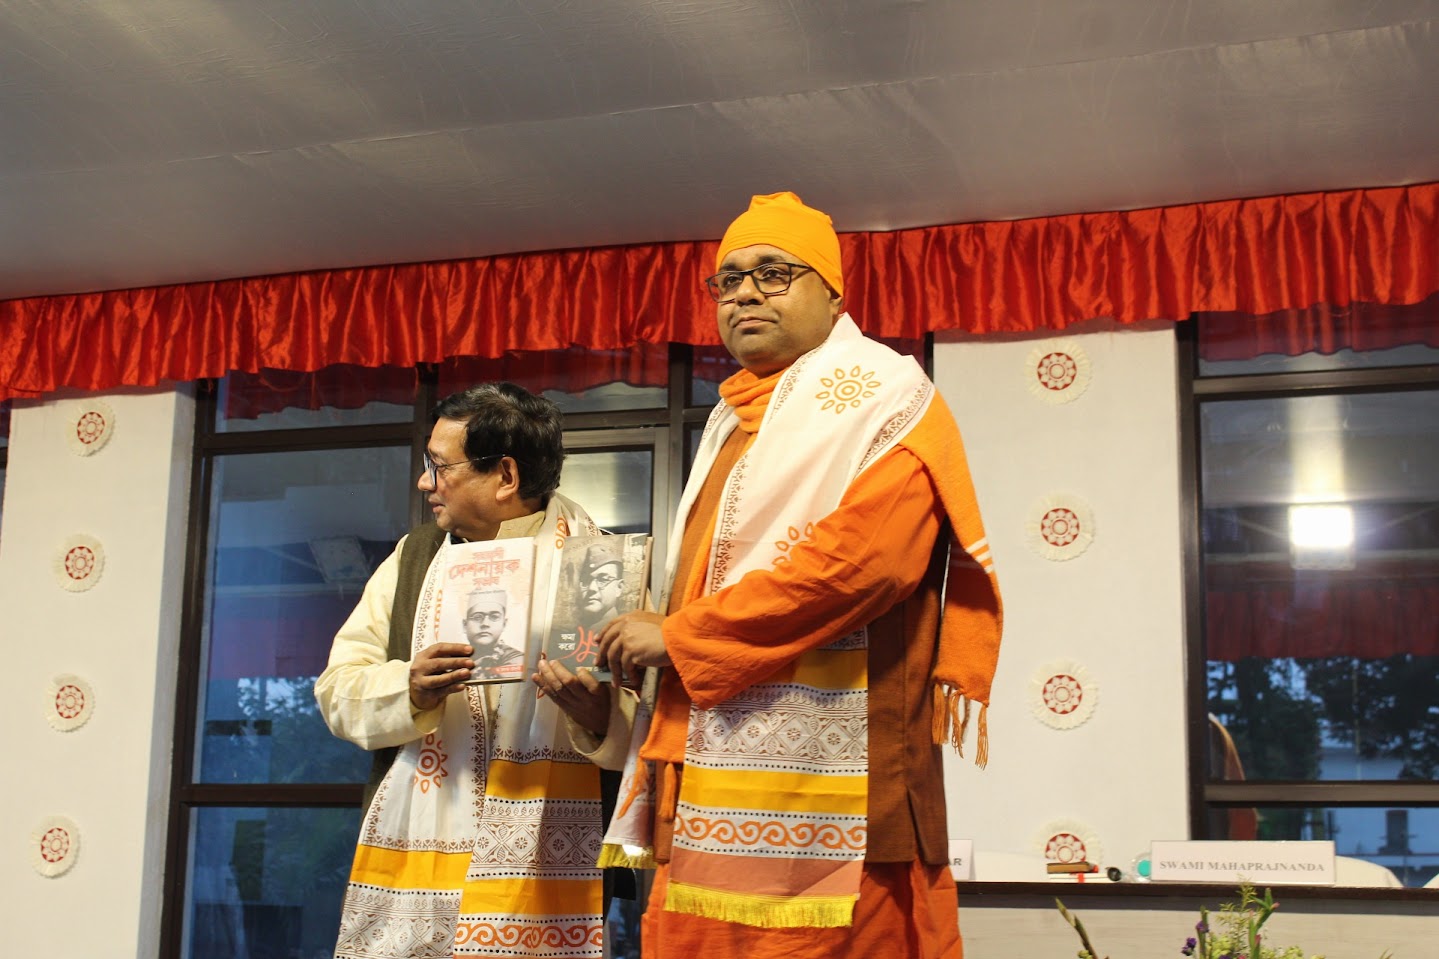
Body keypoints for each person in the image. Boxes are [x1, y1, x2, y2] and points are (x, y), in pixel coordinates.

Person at [586, 192, 1004, 959]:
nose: (743, 293)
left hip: (839, 797)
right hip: (705, 780)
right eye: (728, 279)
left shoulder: (885, 399)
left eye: (773, 273)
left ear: (834, 294)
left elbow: (863, 564)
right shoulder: (732, 421)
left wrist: (681, 637)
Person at [314, 382, 616, 959]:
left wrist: (599, 718)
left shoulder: (599, 568)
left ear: (505, 475)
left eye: (439, 465)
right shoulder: (414, 559)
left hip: (547, 859)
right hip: (419, 851)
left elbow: (652, 719)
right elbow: (337, 692)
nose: (424, 482)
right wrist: (409, 688)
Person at [463, 588, 524, 675]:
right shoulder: (454, 658)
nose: (485, 624)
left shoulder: (516, 658)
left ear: (504, 624)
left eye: (494, 617)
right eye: (477, 617)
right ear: (465, 625)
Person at [576, 543, 625, 631]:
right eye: (586, 580)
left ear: (619, 588)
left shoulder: (623, 632)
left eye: (603, 579)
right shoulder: (577, 631)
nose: (591, 588)